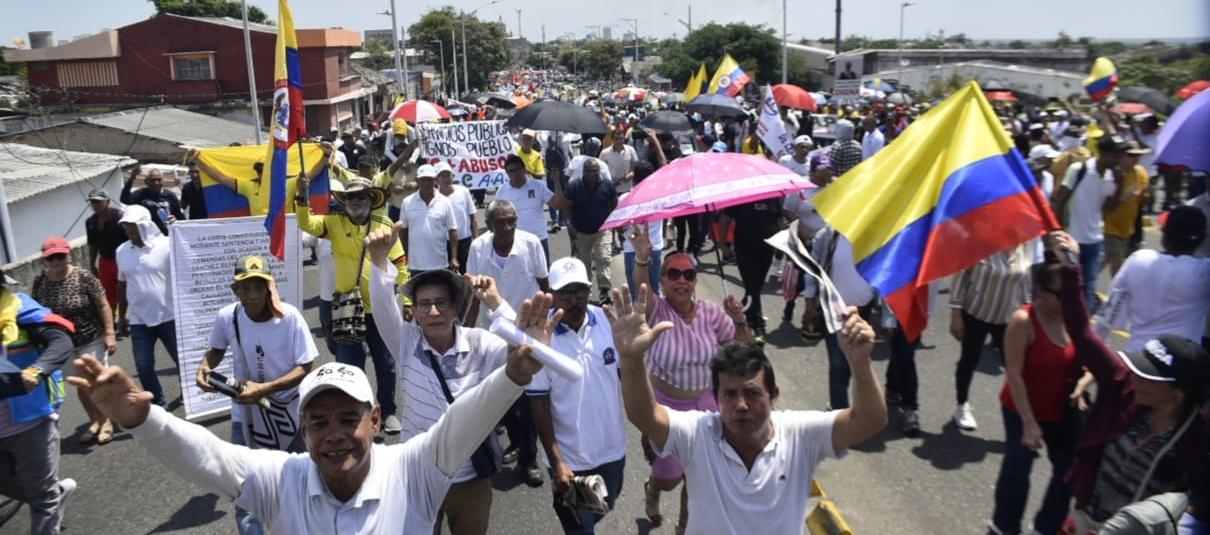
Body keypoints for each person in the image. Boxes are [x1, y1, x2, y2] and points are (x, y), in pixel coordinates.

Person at [65, 292, 556, 535]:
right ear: (302, 428)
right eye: (319, 423)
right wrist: (143, 418)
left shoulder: (413, 468)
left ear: (375, 418)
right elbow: (208, 456)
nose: (335, 435)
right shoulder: (282, 478)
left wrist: (513, 373)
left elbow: (463, 421)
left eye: (349, 419)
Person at [614, 281, 887, 535]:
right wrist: (631, 358)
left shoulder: (799, 434)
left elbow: (869, 421)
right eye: (729, 394)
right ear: (717, 398)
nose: (741, 405)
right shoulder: (699, 433)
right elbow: (644, 415)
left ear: (774, 396)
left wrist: (860, 363)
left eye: (753, 393)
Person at [1047, 231, 1210, 534]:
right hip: (1083, 521)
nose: (1137, 378)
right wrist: (1072, 269)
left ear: (1179, 393)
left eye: (1149, 376)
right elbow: (1082, 333)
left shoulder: (1197, 436)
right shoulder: (1120, 384)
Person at [365, 226, 515, 533]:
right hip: (418, 476)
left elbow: (525, 354)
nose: (433, 311)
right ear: (415, 312)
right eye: (424, 304)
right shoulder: (405, 343)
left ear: (456, 307)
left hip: (471, 479)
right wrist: (380, 260)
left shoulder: (480, 345)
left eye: (441, 303)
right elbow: (381, 305)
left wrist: (497, 304)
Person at [484, 258, 627, 533]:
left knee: (605, 505)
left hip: (613, 449)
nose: (574, 300)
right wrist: (558, 460)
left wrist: (647, 429)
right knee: (579, 526)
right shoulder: (542, 339)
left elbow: (626, 376)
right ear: (552, 296)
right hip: (571, 458)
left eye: (580, 291)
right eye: (565, 293)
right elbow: (539, 406)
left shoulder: (608, 322)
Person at [629, 226, 752, 531]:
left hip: (708, 407)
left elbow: (744, 351)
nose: (681, 281)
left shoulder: (711, 313)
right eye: (673, 274)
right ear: (663, 279)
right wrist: (643, 259)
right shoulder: (657, 310)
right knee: (670, 476)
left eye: (688, 275)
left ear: (696, 281)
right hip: (666, 408)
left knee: (698, 477)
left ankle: (684, 527)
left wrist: (738, 319)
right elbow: (641, 286)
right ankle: (653, 489)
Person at [195, 255, 317, 535]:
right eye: (245, 288)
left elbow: (307, 366)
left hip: (290, 410)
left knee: (307, 474)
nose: (252, 295)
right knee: (246, 483)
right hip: (246, 413)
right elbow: (216, 349)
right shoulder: (228, 316)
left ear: (269, 288)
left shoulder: (289, 318)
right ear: (234, 290)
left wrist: (264, 389)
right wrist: (205, 366)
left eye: (258, 287)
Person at [295, 174, 409, 435]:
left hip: (381, 309)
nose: (355, 201)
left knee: (386, 364)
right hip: (347, 308)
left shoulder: (384, 223)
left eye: (360, 196)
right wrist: (303, 195)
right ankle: (359, 413)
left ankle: (389, 412)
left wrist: (408, 299)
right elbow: (306, 223)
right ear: (344, 201)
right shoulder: (334, 222)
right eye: (351, 197)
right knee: (348, 366)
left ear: (370, 199)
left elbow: (401, 262)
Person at [989, 260, 1080, 535]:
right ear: (1041, 291)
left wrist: (1082, 385)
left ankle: (1046, 527)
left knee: (1069, 472)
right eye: (1061, 294)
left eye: (1072, 292)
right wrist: (1029, 423)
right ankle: (1004, 527)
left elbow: (1087, 362)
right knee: (1018, 469)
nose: (1069, 299)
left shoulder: (1073, 317)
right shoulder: (1023, 321)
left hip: (1059, 410)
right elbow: (1014, 374)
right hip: (1021, 409)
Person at [0, 267, 77, 535]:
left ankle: (49, 499)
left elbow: (60, 341)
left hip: (29, 421)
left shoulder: (18, 307)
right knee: (7, 483)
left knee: (42, 500)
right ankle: (56, 493)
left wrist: (36, 370)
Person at [32, 237, 118, 446]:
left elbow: (103, 305)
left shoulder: (83, 276)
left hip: (90, 337)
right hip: (62, 343)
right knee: (80, 384)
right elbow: (36, 313)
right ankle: (94, 421)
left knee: (96, 380)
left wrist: (110, 333)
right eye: (51, 258)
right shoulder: (40, 282)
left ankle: (107, 421)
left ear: (67, 254)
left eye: (60, 256)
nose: (56, 261)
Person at [1095, 206, 1210, 352]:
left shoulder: (1139, 260)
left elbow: (1108, 316)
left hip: (1138, 359)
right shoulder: (1205, 272)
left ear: (1164, 233)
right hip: (1184, 364)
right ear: (1202, 240)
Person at [947, 243, 1033, 431]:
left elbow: (1026, 288)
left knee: (1014, 368)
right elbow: (961, 278)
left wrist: (1029, 318)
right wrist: (955, 316)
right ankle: (961, 406)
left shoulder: (1025, 249)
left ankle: (1019, 413)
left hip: (1007, 320)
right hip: (976, 314)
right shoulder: (981, 244)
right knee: (969, 360)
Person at [1052, 135, 1129, 309]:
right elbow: (1060, 199)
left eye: (1120, 156)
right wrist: (1060, 232)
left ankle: (1080, 328)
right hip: (1072, 240)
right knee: (1067, 287)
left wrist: (1120, 185)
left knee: (1088, 289)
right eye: (1115, 156)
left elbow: (1109, 209)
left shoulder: (1113, 177)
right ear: (1103, 153)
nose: (1119, 160)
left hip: (1095, 241)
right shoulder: (1079, 169)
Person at [115, 205, 179, 408]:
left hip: (170, 315)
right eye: (126, 227)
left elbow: (189, 261)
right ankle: (158, 404)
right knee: (143, 365)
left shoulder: (167, 245)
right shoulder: (122, 251)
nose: (130, 231)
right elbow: (122, 283)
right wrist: (122, 315)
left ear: (145, 225)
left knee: (182, 361)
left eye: (133, 226)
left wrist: (179, 231)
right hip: (139, 319)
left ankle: (192, 394)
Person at [465, 200, 550, 328]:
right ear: (489, 225)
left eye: (511, 221)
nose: (507, 227)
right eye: (500, 222)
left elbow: (544, 285)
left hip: (529, 322)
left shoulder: (532, 243)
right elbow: (474, 294)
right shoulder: (477, 247)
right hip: (493, 325)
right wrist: (466, 333)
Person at [186, 147, 329, 217]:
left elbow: (311, 174)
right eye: (260, 171)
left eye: (267, 171)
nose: (264, 175)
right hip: (259, 235)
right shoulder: (249, 187)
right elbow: (220, 177)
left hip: (285, 234)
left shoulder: (288, 184)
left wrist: (325, 156)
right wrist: (198, 160)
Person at [550, 159, 618, 304]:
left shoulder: (607, 185)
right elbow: (566, 207)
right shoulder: (575, 186)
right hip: (581, 231)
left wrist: (612, 223)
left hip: (602, 229)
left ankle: (604, 291)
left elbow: (613, 204)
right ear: (583, 172)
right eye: (589, 171)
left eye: (595, 170)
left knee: (604, 258)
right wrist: (570, 225)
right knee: (583, 263)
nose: (592, 173)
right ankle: (585, 290)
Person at [718, 196, 784, 338]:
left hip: (767, 250)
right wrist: (722, 244)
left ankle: (739, 313)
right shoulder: (739, 197)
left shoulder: (772, 199)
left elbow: (779, 221)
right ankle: (758, 324)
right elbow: (724, 220)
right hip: (744, 249)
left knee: (754, 288)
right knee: (752, 286)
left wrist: (784, 242)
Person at [495, 154, 557, 267]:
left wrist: (557, 182)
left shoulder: (538, 186)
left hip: (539, 238)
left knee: (543, 274)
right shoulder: (502, 191)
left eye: (518, 169)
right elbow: (497, 215)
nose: (515, 173)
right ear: (507, 173)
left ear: (524, 170)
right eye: (511, 171)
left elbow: (556, 204)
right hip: (514, 241)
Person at [1102, 141, 1153, 276]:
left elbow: (1143, 198)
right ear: (1120, 156)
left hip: (1126, 228)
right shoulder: (1111, 173)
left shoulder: (1141, 172)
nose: (1135, 158)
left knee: (1102, 262)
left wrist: (1148, 195)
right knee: (1118, 267)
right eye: (1130, 155)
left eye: (1137, 155)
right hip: (1109, 227)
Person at [400, 165, 459, 275]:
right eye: (423, 180)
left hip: (440, 263)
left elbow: (453, 231)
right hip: (415, 265)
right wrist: (404, 255)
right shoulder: (407, 202)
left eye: (429, 179)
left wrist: (454, 257)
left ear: (435, 180)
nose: (426, 183)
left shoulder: (445, 202)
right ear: (417, 181)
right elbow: (402, 231)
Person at [84, 190, 127, 311]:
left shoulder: (120, 217)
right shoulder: (90, 222)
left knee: (126, 290)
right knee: (107, 292)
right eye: (92, 202)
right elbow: (93, 244)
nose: (95, 205)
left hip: (121, 260)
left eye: (98, 201)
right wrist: (92, 264)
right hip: (105, 261)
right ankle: (111, 319)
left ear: (107, 201)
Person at [436, 162, 478, 274]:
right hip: (444, 244)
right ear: (436, 180)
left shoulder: (463, 191)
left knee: (468, 274)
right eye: (442, 176)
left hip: (465, 241)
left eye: (448, 175)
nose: (446, 179)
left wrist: (476, 240)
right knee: (448, 277)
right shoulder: (435, 197)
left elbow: (473, 217)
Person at [120, 167, 184, 236]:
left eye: (159, 180)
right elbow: (124, 199)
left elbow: (180, 218)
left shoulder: (170, 196)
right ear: (146, 182)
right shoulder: (140, 194)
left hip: (166, 236)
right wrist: (132, 179)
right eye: (153, 180)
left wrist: (175, 220)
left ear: (163, 181)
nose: (156, 183)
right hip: (148, 237)